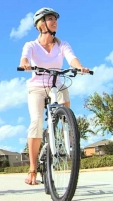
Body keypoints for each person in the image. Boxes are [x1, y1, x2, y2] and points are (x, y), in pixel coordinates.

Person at [19, 8, 90, 185]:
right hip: (37, 87)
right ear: (41, 24)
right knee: (36, 122)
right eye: (50, 19)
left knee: (65, 100)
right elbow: (25, 58)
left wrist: (79, 66)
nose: (54, 22)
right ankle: (33, 170)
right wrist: (25, 64)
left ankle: (65, 128)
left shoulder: (62, 44)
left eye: (55, 19)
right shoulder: (31, 45)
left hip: (56, 83)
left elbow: (71, 58)